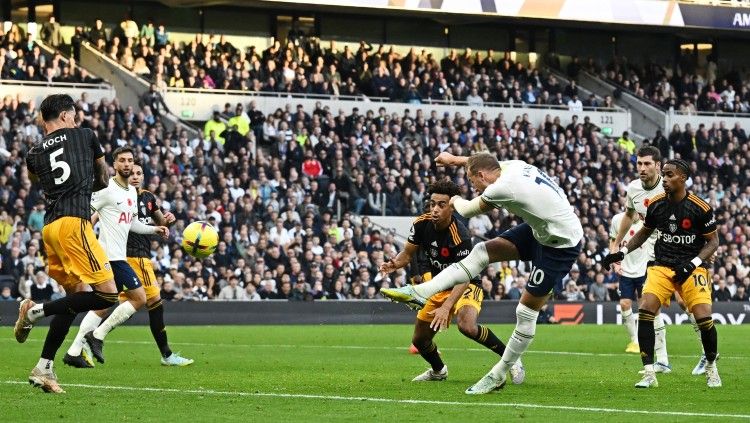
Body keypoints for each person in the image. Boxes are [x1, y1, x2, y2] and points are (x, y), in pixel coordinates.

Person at [381, 152, 583, 395]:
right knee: (481, 251)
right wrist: (454, 159)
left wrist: (452, 200)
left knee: (525, 312)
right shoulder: (512, 167)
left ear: (481, 176)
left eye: (471, 180)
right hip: (540, 229)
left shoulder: (502, 188)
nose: (471, 186)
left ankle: (498, 373)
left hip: (560, 245)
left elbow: (466, 210)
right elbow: (482, 162)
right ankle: (420, 292)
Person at [19, 94, 120, 393]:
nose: (76, 121)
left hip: (50, 229)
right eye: (73, 116)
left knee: (73, 298)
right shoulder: (85, 135)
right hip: (74, 224)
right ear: (64, 116)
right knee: (108, 297)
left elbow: (36, 180)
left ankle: (44, 368)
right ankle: (35, 311)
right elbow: (102, 177)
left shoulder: (34, 153)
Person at [379, 180, 524, 383]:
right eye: (432, 204)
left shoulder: (460, 235)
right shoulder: (421, 224)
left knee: (467, 326)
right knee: (420, 340)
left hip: (466, 283)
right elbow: (408, 253)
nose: (435, 209)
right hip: (440, 285)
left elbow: (464, 275)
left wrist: (447, 306)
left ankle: (511, 359)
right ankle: (439, 371)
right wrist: (394, 263)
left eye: (441, 205)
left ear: (452, 207)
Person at [602, 159, 721, 388]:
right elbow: (644, 233)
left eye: (669, 175)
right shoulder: (656, 204)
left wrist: (695, 261)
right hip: (662, 265)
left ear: (683, 178)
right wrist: (622, 251)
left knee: (704, 317)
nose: (665, 179)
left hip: (692, 267)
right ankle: (649, 373)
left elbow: (713, 241)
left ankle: (711, 368)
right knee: (645, 309)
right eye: (664, 175)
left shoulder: (700, 207)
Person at [63, 147, 169, 368]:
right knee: (138, 298)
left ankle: (74, 350)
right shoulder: (106, 188)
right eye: (122, 160)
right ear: (115, 164)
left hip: (118, 257)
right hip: (108, 257)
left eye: (130, 160)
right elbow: (85, 213)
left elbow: (131, 224)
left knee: (104, 304)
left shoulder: (130, 192)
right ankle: (97, 336)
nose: (127, 164)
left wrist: (154, 230)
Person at [126, 160, 193, 365]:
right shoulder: (121, 197)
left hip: (138, 256)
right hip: (134, 256)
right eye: (132, 173)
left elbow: (161, 225)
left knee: (114, 305)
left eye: (139, 173)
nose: (135, 176)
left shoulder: (148, 198)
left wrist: (168, 220)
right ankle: (167, 355)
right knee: (154, 302)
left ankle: (86, 341)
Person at [609, 211, 647, 354]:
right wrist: (615, 263)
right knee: (625, 304)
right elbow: (614, 241)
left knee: (644, 306)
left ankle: (644, 339)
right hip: (625, 270)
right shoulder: (618, 220)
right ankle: (634, 340)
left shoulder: (646, 222)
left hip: (643, 270)